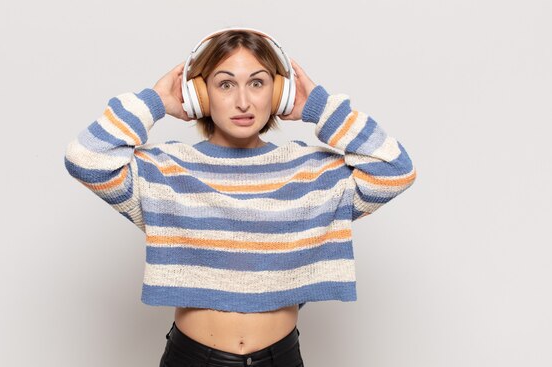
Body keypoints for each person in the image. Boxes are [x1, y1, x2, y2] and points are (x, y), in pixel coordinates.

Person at [64, 28, 416, 367]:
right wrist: (154, 102)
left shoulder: (312, 173)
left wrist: (322, 108)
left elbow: (396, 171)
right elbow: (86, 158)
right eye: (225, 84)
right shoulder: (165, 171)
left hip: (281, 358)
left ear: (279, 93)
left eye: (258, 83)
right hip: (193, 359)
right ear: (200, 94)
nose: (243, 101)